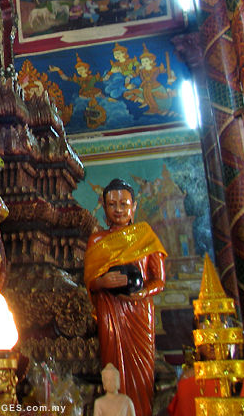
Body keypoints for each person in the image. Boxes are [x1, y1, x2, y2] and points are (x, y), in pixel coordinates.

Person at [84, 178, 167, 416]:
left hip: (140, 312)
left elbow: (159, 280)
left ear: (134, 207)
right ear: (105, 207)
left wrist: (140, 293)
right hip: (111, 311)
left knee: (142, 370)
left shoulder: (146, 236)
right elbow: (90, 281)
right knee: (113, 366)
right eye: (112, 204)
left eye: (124, 204)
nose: (118, 209)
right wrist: (102, 282)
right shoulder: (97, 240)